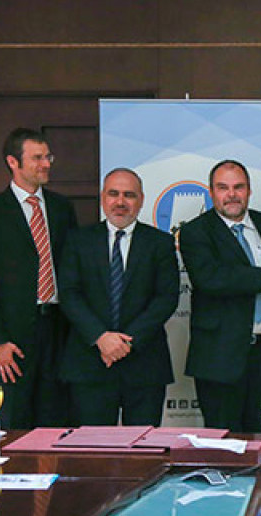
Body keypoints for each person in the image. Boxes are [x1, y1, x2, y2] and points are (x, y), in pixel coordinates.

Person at [0, 128, 78, 429]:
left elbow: (72, 270)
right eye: (37, 158)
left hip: (58, 331)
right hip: (11, 338)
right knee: (12, 423)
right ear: (13, 162)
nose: (46, 164)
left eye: (48, 157)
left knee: (55, 421)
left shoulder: (62, 208)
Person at [58, 168, 178, 426]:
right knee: (93, 447)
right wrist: (101, 338)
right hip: (90, 363)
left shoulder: (160, 243)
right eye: (113, 194)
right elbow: (69, 294)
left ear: (141, 200)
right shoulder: (78, 240)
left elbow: (166, 298)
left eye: (129, 195)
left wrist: (125, 343)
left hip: (144, 363)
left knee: (144, 447)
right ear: (103, 198)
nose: (120, 202)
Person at [179, 160, 261, 432]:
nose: (232, 194)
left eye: (238, 187)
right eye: (223, 188)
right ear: (211, 192)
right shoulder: (195, 231)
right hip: (219, 357)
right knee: (224, 441)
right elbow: (210, 278)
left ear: (249, 191)